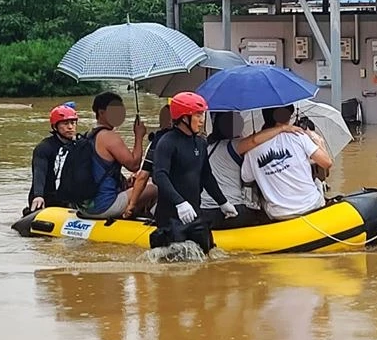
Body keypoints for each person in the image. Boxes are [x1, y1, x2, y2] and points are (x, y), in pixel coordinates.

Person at [152, 92, 237, 240]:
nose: (202, 121)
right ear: (184, 118)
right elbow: (159, 176)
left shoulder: (200, 143)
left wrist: (223, 202)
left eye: (203, 115)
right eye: (198, 115)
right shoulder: (167, 142)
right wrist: (180, 203)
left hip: (195, 212)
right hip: (171, 216)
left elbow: (206, 176)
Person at [199, 112, 305, 229]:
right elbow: (255, 140)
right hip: (231, 209)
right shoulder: (234, 145)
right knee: (262, 214)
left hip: (205, 211)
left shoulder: (207, 146)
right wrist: (282, 128)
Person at [241, 105, 333, 221]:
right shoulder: (299, 136)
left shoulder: (252, 149)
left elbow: (246, 178)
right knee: (318, 183)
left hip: (279, 214)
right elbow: (327, 163)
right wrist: (318, 141)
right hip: (311, 205)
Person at [85, 91, 149, 219]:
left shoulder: (88, 135)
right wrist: (138, 136)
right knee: (152, 188)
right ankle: (134, 216)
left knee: (133, 184)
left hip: (84, 207)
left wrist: (124, 182)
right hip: (104, 207)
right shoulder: (109, 137)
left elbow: (100, 170)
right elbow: (134, 165)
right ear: (101, 112)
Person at [122, 104, 172, 219]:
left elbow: (143, 176)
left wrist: (131, 205)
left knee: (151, 188)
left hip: (166, 201)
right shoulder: (198, 141)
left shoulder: (159, 141)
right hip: (192, 199)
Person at [27, 104, 78, 213]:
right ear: (55, 127)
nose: (70, 127)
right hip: (46, 197)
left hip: (67, 197)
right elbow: (39, 172)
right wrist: (38, 195)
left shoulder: (79, 146)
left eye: (73, 123)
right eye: (65, 123)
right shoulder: (44, 148)